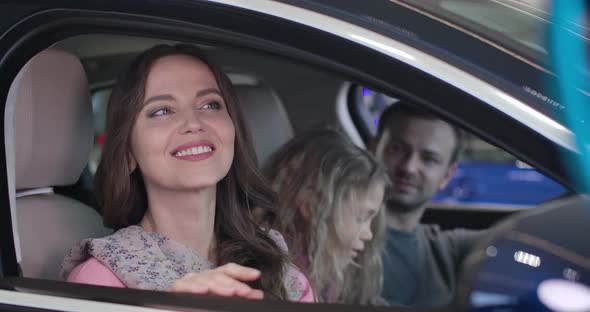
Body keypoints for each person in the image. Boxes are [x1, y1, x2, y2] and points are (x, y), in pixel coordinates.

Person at [61, 44, 313, 302]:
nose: (193, 123)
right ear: (128, 152)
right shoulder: (99, 281)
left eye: (210, 104)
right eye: (162, 111)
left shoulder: (283, 273)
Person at [371, 102, 483, 307]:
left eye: (429, 158)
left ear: (447, 176)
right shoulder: (336, 238)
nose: (409, 167)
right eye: (397, 149)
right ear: (374, 148)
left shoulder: (448, 250)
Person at [264, 128, 389, 304]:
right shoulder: (280, 274)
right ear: (312, 206)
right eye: (361, 218)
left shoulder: (329, 270)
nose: (368, 233)